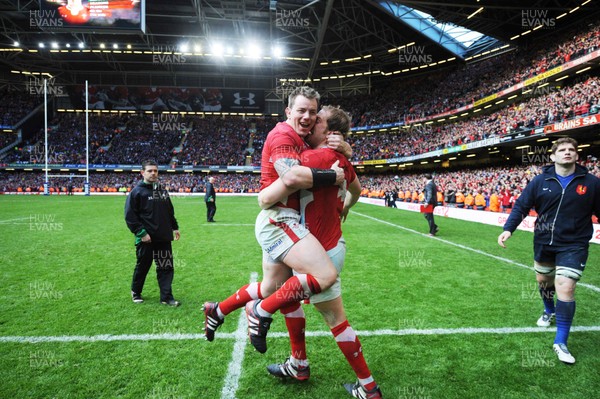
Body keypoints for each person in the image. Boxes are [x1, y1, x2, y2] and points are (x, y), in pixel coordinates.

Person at [202, 86, 347, 355]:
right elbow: (291, 178)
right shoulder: (283, 135)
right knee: (324, 275)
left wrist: (346, 148)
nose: (307, 117)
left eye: (313, 113)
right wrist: (332, 176)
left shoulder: (302, 138)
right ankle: (260, 313)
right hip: (279, 220)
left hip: (281, 219)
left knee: (272, 288)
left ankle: (218, 310)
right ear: (288, 111)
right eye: (301, 110)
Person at [258, 105, 383, 398]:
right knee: (291, 299)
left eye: (317, 121)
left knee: (334, 319)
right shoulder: (341, 159)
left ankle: (369, 387)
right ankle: (298, 363)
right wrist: (346, 206)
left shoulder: (311, 157)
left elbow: (286, 171)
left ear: (329, 132)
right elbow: (357, 190)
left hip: (318, 252)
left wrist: (263, 196)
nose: (310, 122)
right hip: (324, 245)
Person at [498, 137, 600, 364]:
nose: (567, 152)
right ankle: (548, 310)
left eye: (571, 149)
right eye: (562, 150)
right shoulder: (539, 181)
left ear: (576, 155)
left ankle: (560, 341)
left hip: (574, 243)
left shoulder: (592, 183)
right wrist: (508, 229)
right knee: (544, 281)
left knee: (565, 285)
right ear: (552, 156)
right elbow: (521, 206)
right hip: (544, 241)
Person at [125, 160, 181, 307]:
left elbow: (169, 211)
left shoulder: (161, 191)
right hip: (146, 239)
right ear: (142, 173)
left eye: (155, 171)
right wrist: (141, 233)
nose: (153, 173)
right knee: (143, 266)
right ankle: (136, 291)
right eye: (150, 171)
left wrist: (175, 227)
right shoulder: (136, 192)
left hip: (163, 237)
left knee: (165, 267)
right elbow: (130, 216)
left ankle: (166, 297)